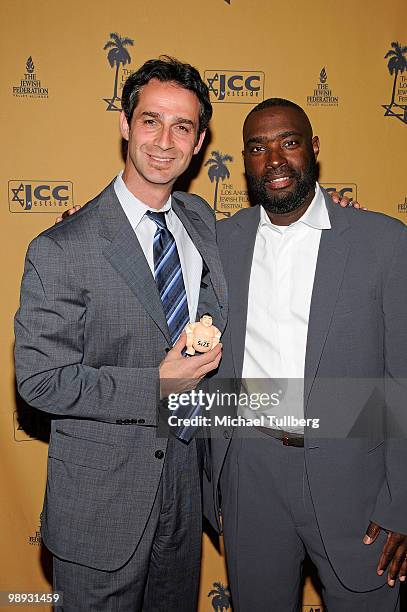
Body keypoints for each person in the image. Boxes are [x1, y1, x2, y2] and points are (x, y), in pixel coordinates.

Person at [14, 56, 227, 612]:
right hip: (100, 502)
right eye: (151, 120)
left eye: (182, 126)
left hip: (185, 488)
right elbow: (40, 383)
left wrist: (324, 217)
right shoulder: (61, 249)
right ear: (125, 125)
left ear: (200, 140)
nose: (164, 140)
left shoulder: (201, 220)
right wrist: (155, 384)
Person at [205, 98, 407, 611]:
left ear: (314, 148)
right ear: (245, 161)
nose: (274, 159)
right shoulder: (220, 241)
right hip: (251, 470)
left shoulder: (383, 242)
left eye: (288, 142)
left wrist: (402, 502)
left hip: (355, 476)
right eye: (257, 148)